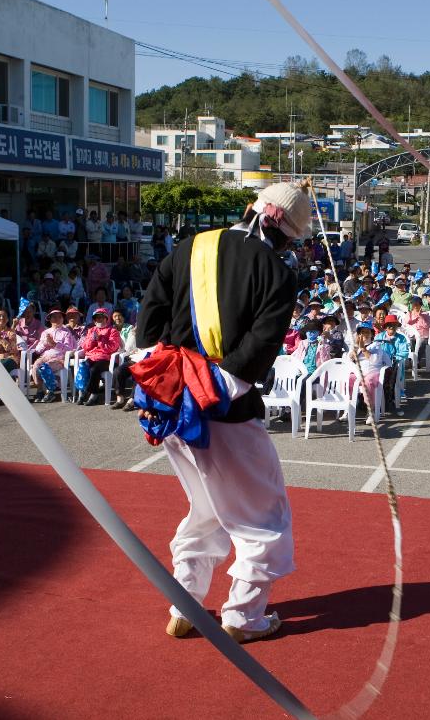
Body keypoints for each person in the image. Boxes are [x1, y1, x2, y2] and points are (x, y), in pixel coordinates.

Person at [134, 181, 306, 643]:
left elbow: (147, 322)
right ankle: (244, 617)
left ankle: (184, 604)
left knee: (206, 509)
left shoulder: (191, 245)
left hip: (172, 406)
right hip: (224, 410)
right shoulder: (276, 270)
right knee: (262, 517)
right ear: (284, 231)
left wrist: (171, 383)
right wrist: (207, 389)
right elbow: (260, 346)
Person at [76, 306, 121, 406]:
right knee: (83, 367)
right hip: (92, 357)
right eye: (97, 317)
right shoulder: (91, 330)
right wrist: (92, 340)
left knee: (94, 369)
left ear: (106, 318)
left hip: (106, 358)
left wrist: (101, 340)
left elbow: (113, 347)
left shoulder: (112, 331)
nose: (99, 319)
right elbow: (85, 347)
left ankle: (93, 394)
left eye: (101, 317)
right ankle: (82, 392)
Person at [30, 309, 77, 403]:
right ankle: (40, 390)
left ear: (63, 319)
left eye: (59, 317)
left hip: (59, 359)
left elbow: (69, 349)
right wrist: (45, 344)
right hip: (45, 357)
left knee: (45, 367)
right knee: (36, 366)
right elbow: (38, 350)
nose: (57, 319)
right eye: (54, 317)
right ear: (50, 319)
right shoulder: (45, 332)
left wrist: (55, 344)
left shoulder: (66, 332)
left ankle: (50, 391)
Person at [374, 314, 411, 411]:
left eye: (394, 325)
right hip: (379, 363)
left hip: (394, 364)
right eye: (389, 325)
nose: (391, 327)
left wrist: (393, 358)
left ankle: (388, 400)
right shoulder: (379, 336)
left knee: (390, 374)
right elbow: (374, 349)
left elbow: (404, 353)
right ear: (385, 327)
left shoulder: (401, 338)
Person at [109, 307, 140, 410]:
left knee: (138, 373)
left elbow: (128, 347)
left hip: (130, 356)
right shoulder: (111, 329)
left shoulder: (130, 328)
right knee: (118, 371)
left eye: (119, 316)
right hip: (118, 356)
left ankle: (131, 400)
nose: (117, 318)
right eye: (115, 316)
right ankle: (120, 398)